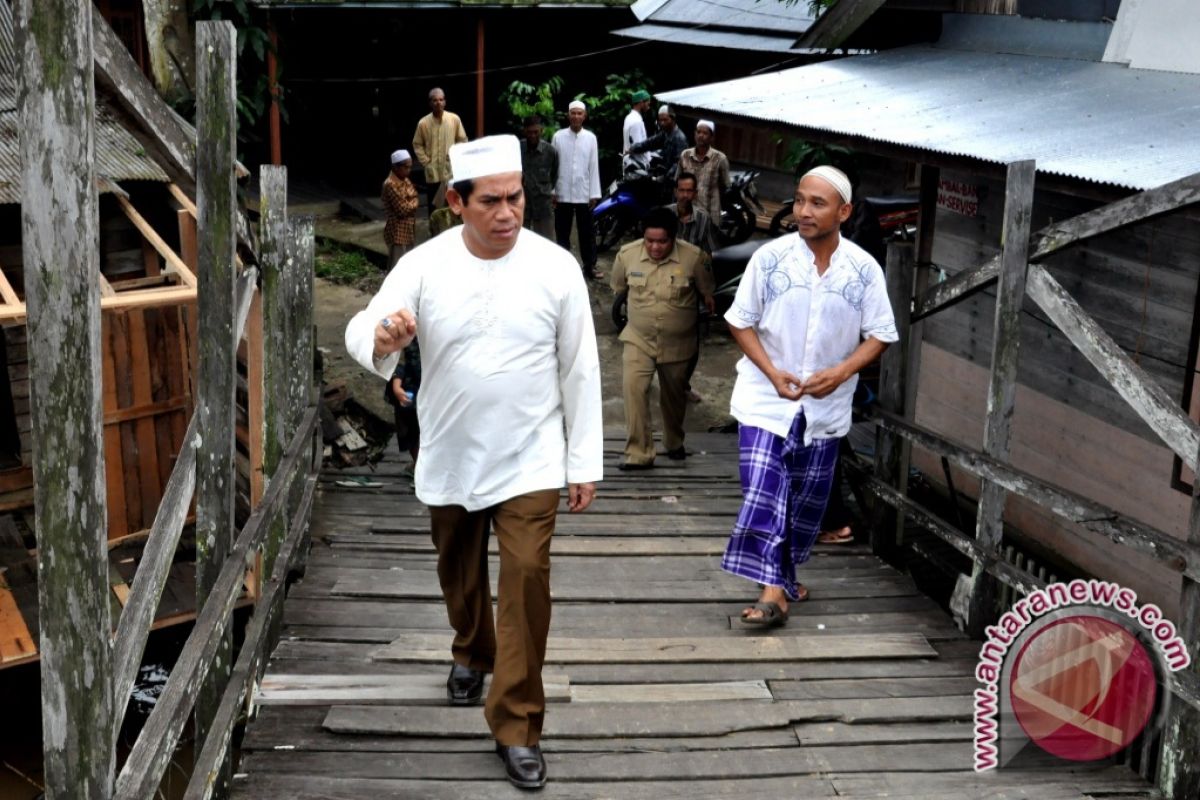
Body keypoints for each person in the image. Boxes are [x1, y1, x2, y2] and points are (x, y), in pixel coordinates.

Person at [344, 135, 603, 791]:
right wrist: (380, 339)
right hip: (452, 448)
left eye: (515, 197)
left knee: (525, 578)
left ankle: (517, 725)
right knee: (459, 572)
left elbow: (580, 368)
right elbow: (368, 321)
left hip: (532, 457)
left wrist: (583, 460)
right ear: (457, 202)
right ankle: (471, 647)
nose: (507, 213)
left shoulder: (555, 267)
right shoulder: (425, 266)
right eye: (491, 201)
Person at [721, 165, 897, 627]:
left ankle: (784, 576)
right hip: (765, 398)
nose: (803, 211)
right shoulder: (770, 259)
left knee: (803, 502)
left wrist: (841, 372)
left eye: (816, 203)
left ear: (844, 211)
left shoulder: (863, 270)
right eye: (799, 200)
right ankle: (773, 592)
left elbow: (880, 334)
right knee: (764, 487)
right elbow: (739, 321)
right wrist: (772, 372)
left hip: (824, 407)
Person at [610, 207, 714, 471]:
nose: (655, 247)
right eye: (650, 241)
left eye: (662, 241)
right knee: (633, 390)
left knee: (673, 397)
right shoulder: (627, 255)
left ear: (674, 238)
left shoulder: (693, 258)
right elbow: (619, 288)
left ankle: (674, 441)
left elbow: (708, 293)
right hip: (638, 339)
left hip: (678, 345)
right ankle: (639, 453)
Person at [667, 171, 716, 404]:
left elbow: (706, 255)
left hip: (691, 288)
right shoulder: (664, 215)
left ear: (695, 193)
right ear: (676, 191)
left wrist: (708, 291)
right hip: (664, 285)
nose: (685, 195)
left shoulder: (703, 219)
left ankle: (683, 386)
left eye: (689, 191)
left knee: (691, 345)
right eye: (681, 190)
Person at [552, 100, 603, 281]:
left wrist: (594, 194)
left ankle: (589, 266)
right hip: (562, 190)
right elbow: (554, 165)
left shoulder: (591, 138)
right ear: (568, 115)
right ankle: (562, 266)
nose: (576, 117)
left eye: (579, 113)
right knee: (562, 231)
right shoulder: (558, 136)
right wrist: (553, 191)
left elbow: (593, 166)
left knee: (587, 232)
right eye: (573, 113)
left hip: (584, 191)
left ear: (584, 116)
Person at [412, 87, 468, 215]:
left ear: (445, 102)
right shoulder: (423, 123)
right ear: (430, 103)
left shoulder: (454, 119)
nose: (438, 103)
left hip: (450, 172)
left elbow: (463, 140)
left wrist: (454, 155)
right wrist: (426, 161)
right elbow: (417, 144)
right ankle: (435, 233)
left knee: (452, 205)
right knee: (434, 208)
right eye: (435, 100)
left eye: (441, 100)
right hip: (433, 173)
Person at [679, 119, 730, 226]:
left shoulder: (720, 159)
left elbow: (725, 185)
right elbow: (678, 181)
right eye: (698, 132)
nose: (701, 135)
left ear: (712, 137)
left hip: (710, 214)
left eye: (705, 133)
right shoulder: (685, 155)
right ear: (694, 134)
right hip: (687, 212)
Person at [626, 104, 688, 180]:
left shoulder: (680, 138)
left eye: (665, 120)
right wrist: (633, 148)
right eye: (660, 120)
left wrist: (665, 177)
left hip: (673, 180)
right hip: (664, 174)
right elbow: (650, 143)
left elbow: (679, 163)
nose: (662, 123)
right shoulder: (665, 133)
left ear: (673, 119)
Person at [520, 114, 557, 239]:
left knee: (546, 245)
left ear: (541, 130)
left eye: (536, 132)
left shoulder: (551, 152)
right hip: (522, 205)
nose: (532, 135)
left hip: (543, 206)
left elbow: (555, 175)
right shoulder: (517, 149)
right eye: (529, 132)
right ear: (524, 131)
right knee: (519, 243)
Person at [381, 149, 420, 267]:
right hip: (397, 231)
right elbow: (402, 209)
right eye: (406, 167)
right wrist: (413, 202)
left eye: (410, 167)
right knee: (396, 266)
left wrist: (412, 201)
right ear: (396, 167)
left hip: (408, 229)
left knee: (408, 265)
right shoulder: (390, 184)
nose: (409, 170)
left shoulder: (405, 180)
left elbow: (415, 197)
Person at [622, 89, 652, 169]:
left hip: (630, 164)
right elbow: (638, 146)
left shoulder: (629, 117)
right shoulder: (636, 121)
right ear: (641, 103)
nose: (648, 107)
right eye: (647, 104)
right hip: (638, 166)